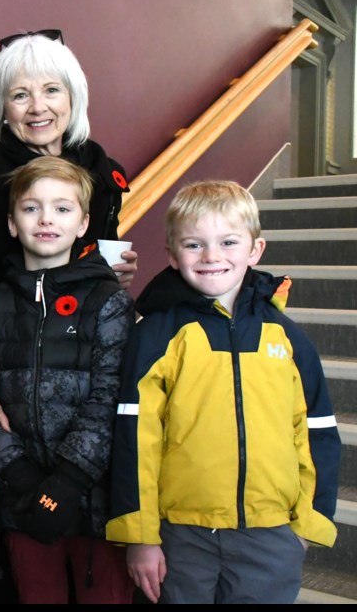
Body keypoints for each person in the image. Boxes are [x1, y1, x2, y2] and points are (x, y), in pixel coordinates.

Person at [0, 30, 138, 602]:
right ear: (0, 106)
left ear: (73, 95)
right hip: (7, 370)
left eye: (51, 90)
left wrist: (112, 269)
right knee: (16, 553)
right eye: (19, 94)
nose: (37, 107)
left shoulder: (101, 171)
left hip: (79, 380)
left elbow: (101, 259)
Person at [106, 180, 341, 604]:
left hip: (270, 537)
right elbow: (134, 440)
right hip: (180, 537)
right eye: (195, 245)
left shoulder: (287, 339)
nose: (212, 256)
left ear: (255, 250)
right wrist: (139, 536)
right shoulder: (157, 334)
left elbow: (317, 432)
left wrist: (309, 524)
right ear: (173, 256)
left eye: (228, 242)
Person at [0, 156, 135, 604]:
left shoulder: (108, 301)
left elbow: (109, 401)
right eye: (31, 208)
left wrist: (66, 481)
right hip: (21, 504)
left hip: (97, 505)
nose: (47, 219)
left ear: (84, 222)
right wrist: (24, 482)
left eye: (62, 209)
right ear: (11, 223)